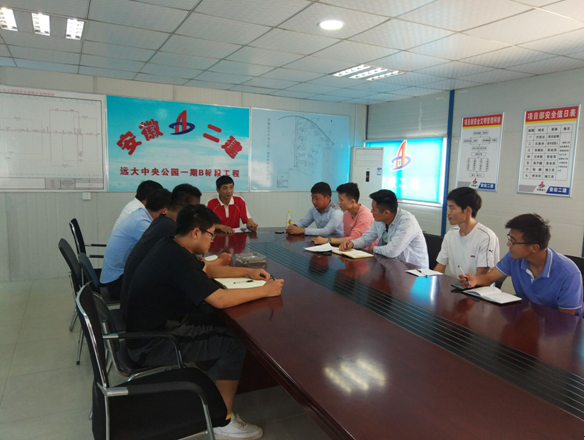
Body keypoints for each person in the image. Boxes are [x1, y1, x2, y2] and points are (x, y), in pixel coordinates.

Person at [126, 204, 284, 439]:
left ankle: (197, 384)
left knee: (218, 325)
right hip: (153, 344)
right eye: (211, 234)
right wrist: (265, 291)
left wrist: (247, 273)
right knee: (233, 343)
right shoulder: (177, 258)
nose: (213, 240)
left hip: (151, 330)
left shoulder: (171, 245)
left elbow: (207, 270)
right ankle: (223, 421)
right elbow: (220, 299)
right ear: (196, 232)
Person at [120, 184, 231, 315]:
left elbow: (194, 266)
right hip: (151, 317)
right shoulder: (172, 231)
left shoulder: (163, 222)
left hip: (135, 303)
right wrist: (218, 261)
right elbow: (219, 298)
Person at [459, 213, 583, 316]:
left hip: (562, 328)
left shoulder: (569, 273)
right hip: (528, 317)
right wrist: (475, 279)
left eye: (513, 241)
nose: (508, 244)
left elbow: (565, 320)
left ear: (534, 247)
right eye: (509, 238)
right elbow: (489, 278)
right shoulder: (514, 257)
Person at [100, 188, 171, 299]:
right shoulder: (141, 223)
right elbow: (163, 248)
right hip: (118, 283)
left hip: (116, 276)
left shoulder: (141, 214)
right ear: (165, 211)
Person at [339, 189, 429, 267]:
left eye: (374, 209)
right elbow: (366, 238)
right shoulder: (379, 219)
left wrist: (374, 248)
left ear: (386, 213)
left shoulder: (407, 222)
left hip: (413, 271)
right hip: (391, 265)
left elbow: (392, 251)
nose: (371, 211)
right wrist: (352, 243)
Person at [434, 187, 500, 276]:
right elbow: (440, 266)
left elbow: (481, 276)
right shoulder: (450, 234)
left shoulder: (486, 236)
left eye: (452, 208)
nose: (448, 212)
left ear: (468, 210)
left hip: (477, 285)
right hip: (455, 283)